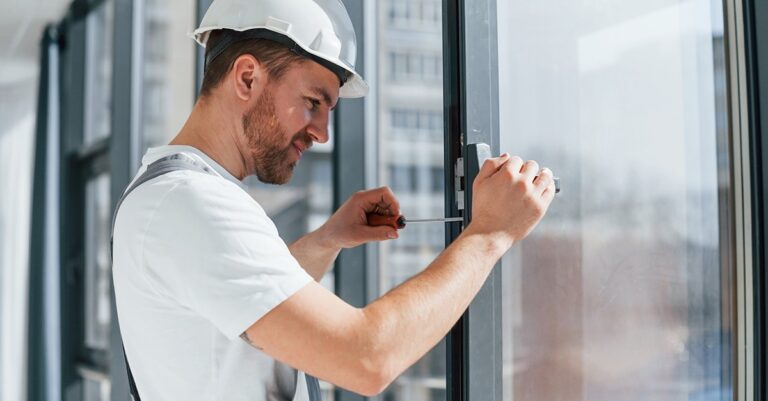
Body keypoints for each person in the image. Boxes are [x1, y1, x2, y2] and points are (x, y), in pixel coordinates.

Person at [111, 0, 556, 400]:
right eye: (312, 102)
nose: (322, 133)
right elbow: (366, 359)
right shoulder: (189, 202)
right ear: (247, 77)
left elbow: (252, 309)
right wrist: (490, 234)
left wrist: (327, 240)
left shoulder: (178, 191)